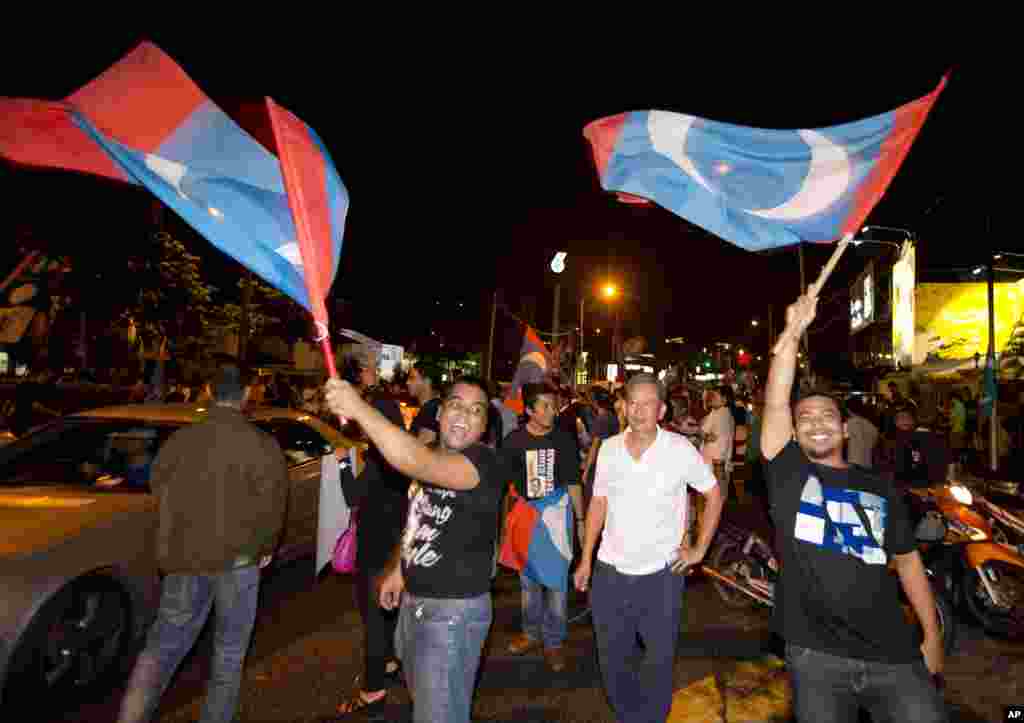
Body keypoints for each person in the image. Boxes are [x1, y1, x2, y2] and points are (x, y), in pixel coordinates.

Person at [761, 294, 947, 722]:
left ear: (845, 429)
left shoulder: (879, 486)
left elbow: (908, 561)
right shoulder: (789, 476)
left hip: (894, 652)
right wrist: (792, 334)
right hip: (817, 658)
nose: (816, 423)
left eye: (827, 416)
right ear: (794, 432)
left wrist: (931, 634)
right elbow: (775, 402)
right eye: (805, 418)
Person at [116, 362, 289, 723]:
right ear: (246, 394)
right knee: (228, 655)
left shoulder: (180, 441)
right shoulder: (262, 445)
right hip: (239, 562)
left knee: (161, 648)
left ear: (209, 391)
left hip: (185, 559)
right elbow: (274, 506)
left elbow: (158, 485)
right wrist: (266, 547)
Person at [325, 375, 504, 723]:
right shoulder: (432, 452)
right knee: (426, 703)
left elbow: (418, 462)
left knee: (439, 714)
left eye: (476, 411)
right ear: (439, 413)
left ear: (484, 427)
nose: (463, 416)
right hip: (414, 604)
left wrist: (359, 409)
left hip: (452, 613)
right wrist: (398, 569)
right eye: (456, 405)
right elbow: (418, 518)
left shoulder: (484, 462)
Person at [573, 373, 723, 723]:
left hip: (661, 576)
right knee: (612, 658)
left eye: (648, 404)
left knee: (658, 659)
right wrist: (586, 559)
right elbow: (598, 503)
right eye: (633, 403)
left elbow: (713, 494)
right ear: (623, 406)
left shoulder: (679, 449)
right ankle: (628, 715)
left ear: (662, 410)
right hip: (610, 573)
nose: (639, 411)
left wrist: (700, 549)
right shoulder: (609, 449)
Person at [335, 348, 410, 718]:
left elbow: (352, 495)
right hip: (394, 537)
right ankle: (391, 662)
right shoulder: (398, 460)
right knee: (388, 607)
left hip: (375, 542)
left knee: (373, 616)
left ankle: (372, 690)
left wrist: (341, 465)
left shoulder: (379, 464)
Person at [502, 383, 584, 672]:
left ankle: (554, 641)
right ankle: (531, 633)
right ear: (529, 410)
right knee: (528, 581)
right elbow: (503, 485)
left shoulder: (563, 439)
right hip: (526, 517)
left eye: (553, 405)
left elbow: (573, 481)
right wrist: (504, 525)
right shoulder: (513, 441)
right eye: (545, 406)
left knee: (557, 583)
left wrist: (581, 521)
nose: (552, 411)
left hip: (558, 517)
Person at [701, 385, 736, 496]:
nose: (711, 398)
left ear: (724, 400)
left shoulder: (718, 413)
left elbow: (704, 433)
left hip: (716, 461)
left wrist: (704, 436)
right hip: (721, 460)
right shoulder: (726, 413)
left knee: (716, 494)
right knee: (720, 493)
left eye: (715, 396)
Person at [407, 361, 444, 445]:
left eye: (412, 378)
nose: (407, 382)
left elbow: (423, 448)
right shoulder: (433, 406)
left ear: (427, 381)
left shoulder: (431, 409)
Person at [845, 397, 880, 469]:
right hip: (868, 461)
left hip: (854, 460)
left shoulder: (850, 423)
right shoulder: (870, 425)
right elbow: (875, 442)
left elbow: (844, 441)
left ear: (848, 409)